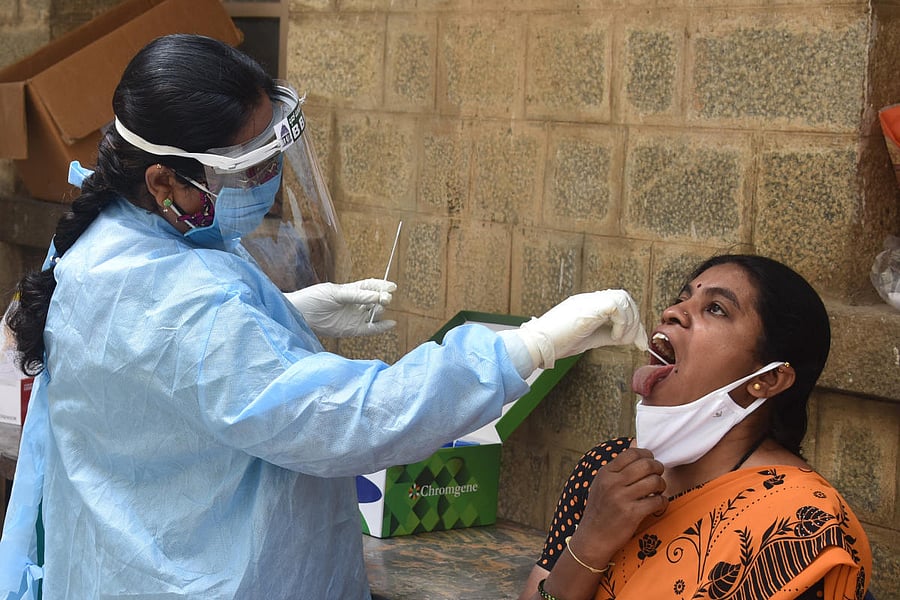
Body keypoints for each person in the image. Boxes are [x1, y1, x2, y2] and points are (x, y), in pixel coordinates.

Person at [0, 34, 649, 600]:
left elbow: (157, 367)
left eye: (272, 154)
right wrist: (524, 348)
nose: (271, 181)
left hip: (118, 566)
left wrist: (281, 312)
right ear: (165, 182)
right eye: (249, 167)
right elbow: (346, 422)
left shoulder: (104, 236)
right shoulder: (193, 302)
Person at [518, 255, 873, 600]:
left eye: (716, 308)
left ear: (768, 379)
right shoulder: (607, 470)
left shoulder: (802, 523)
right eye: (681, 299)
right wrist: (589, 544)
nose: (672, 312)